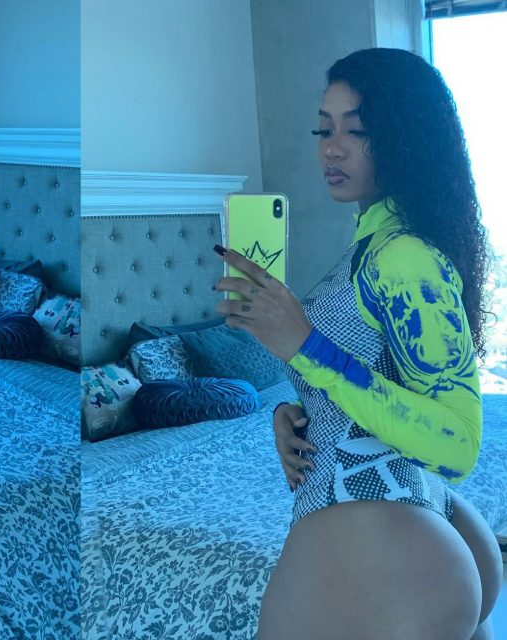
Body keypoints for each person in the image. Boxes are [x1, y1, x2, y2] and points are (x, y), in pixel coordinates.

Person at [212, 48, 502, 640]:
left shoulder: (404, 255)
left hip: (389, 552)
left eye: (358, 130)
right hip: (406, 542)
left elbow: (459, 445)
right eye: (324, 129)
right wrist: (302, 414)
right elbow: (370, 374)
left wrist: (306, 346)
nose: (332, 148)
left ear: (406, 138)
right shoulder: (376, 241)